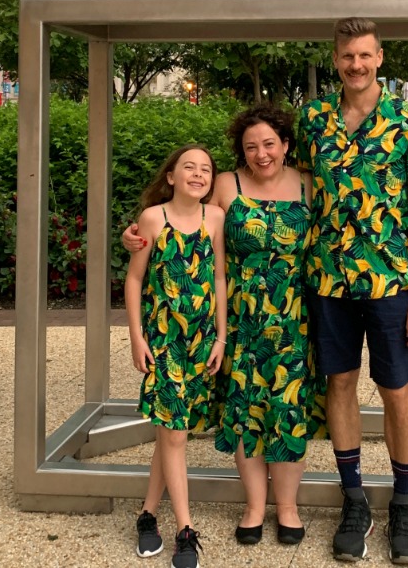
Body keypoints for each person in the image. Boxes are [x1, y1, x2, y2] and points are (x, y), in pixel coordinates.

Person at [123, 106, 326, 547]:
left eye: (270, 143)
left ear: (286, 145)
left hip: (295, 319)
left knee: (288, 410)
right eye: (251, 146)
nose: (261, 153)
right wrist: (133, 236)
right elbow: (180, 217)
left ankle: (287, 506)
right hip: (239, 320)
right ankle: (254, 505)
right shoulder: (225, 185)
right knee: (245, 411)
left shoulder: (310, 184)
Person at [296, 17, 408, 565]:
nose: (355, 65)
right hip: (328, 280)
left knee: (397, 388)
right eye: (345, 57)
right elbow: (284, 184)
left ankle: (404, 503)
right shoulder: (313, 120)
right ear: (334, 61)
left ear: (380, 57)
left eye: (364, 55)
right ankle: (354, 498)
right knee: (339, 383)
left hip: (391, 282)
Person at [124, 145, 227, 568]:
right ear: (171, 176)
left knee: (172, 430)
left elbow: (220, 276)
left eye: (206, 169)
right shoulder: (153, 219)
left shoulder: (215, 218)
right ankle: (185, 530)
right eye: (189, 167)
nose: (198, 174)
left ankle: (147, 513)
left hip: (202, 343)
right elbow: (134, 279)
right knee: (177, 434)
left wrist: (221, 337)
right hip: (164, 342)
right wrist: (135, 336)